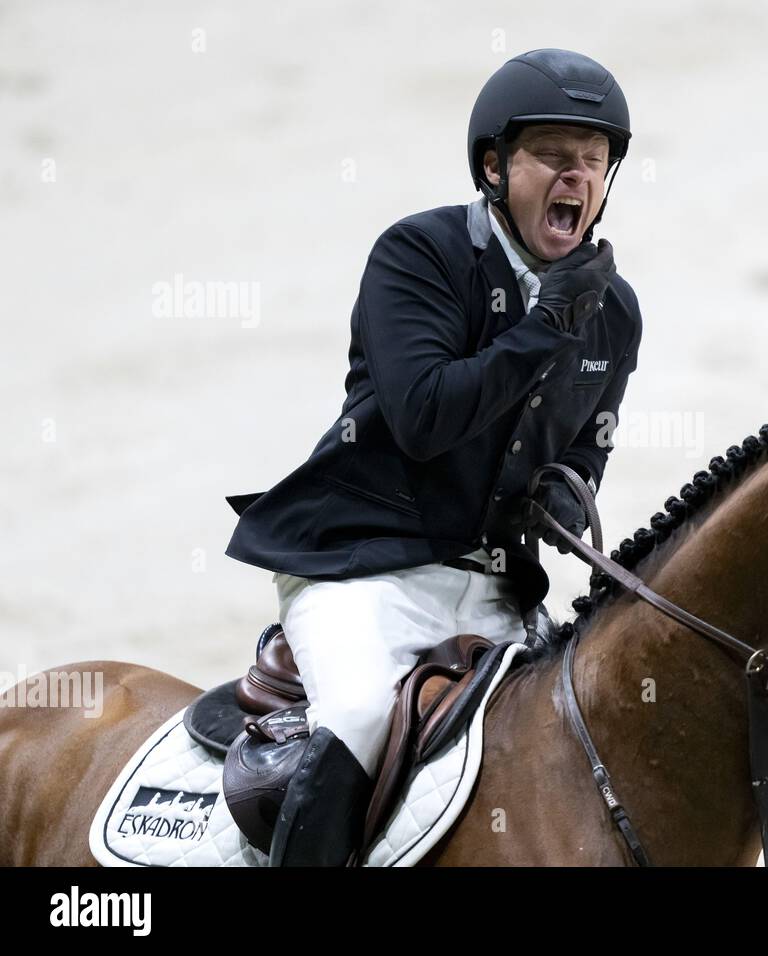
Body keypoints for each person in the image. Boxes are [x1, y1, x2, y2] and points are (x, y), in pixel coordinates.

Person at [222, 48, 642, 866]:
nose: (577, 178)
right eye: (554, 157)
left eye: (593, 162)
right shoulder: (419, 256)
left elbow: (586, 452)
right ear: (494, 165)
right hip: (361, 568)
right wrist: (544, 327)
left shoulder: (613, 313)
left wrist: (567, 495)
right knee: (359, 720)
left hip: (491, 590)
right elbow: (422, 418)